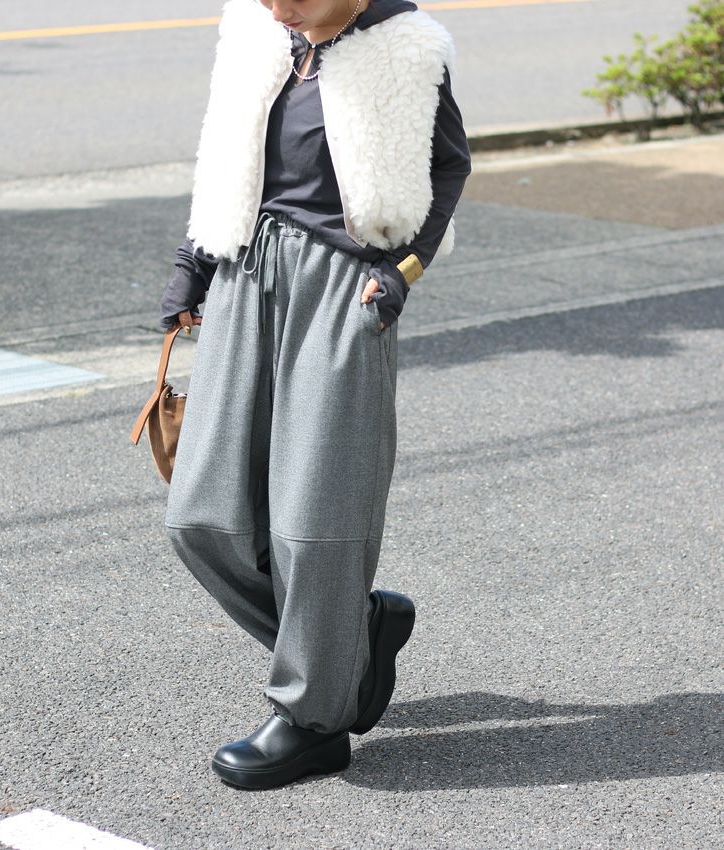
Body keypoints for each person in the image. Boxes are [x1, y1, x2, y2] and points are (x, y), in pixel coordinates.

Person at [159, 0, 471, 790]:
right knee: (201, 514)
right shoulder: (258, 35)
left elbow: (448, 169)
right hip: (244, 271)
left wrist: (399, 275)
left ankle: (313, 720)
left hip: (343, 284)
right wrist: (193, 265)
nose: (277, 4)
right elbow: (227, 156)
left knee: (316, 519)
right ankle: (350, 638)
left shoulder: (406, 49)